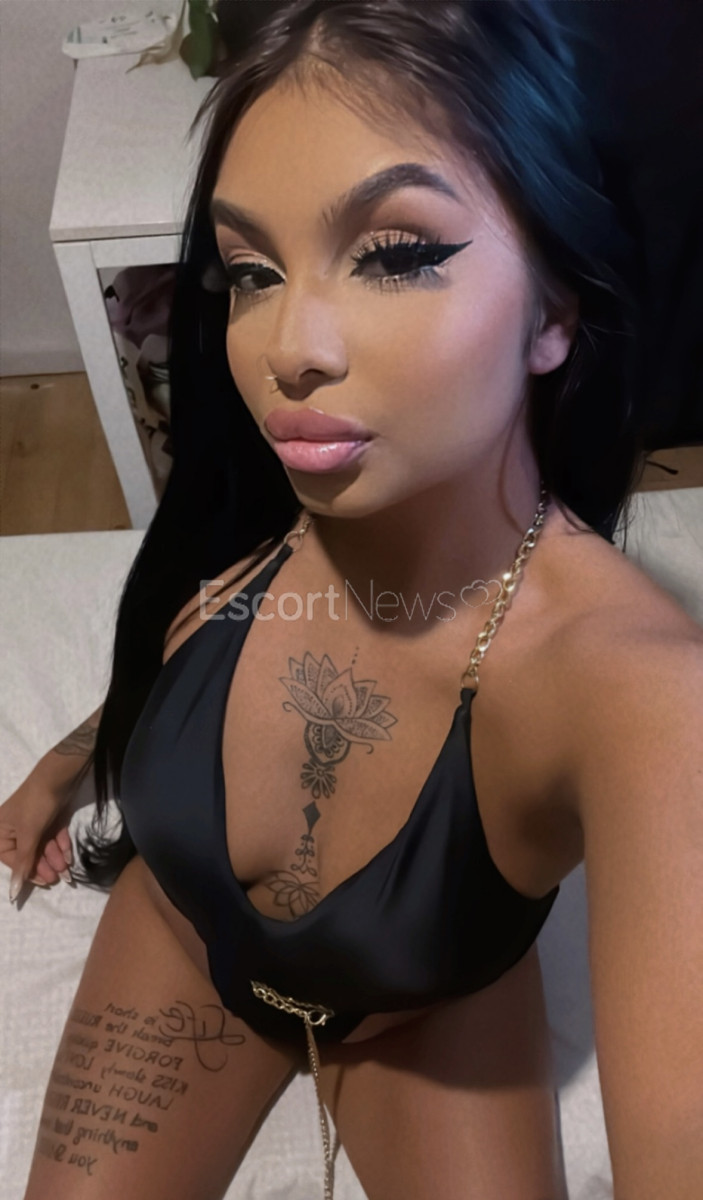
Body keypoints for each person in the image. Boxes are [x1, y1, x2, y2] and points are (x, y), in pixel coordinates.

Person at [2, 2, 702, 1197]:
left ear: (552, 310)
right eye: (251, 272)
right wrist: (73, 758)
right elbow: (189, 636)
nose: (289, 347)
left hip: (421, 1015)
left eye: (395, 255)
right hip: (184, 931)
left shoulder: (641, 694)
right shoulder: (281, 490)